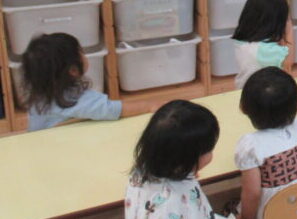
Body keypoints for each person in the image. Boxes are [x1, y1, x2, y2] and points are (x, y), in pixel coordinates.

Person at [21, 32, 160, 131]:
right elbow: (112, 109)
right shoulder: (74, 100)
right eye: (81, 52)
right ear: (73, 70)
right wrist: (149, 106)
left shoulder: (39, 94)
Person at [125, 100, 231, 219]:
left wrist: (188, 172)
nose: (212, 152)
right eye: (210, 149)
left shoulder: (145, 168)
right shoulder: (170, 206)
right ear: (185, 161)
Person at [235, 67, 297, 219]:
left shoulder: (250, 145)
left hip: (275, 212)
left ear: (243, 108)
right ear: (296, 107)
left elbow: (252, 194)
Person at [231, 0, 294, 89]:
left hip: (243, 88)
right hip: (262, 93)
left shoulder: (242, 40)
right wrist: (289, 30)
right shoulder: (263, 50)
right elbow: (288, 61)